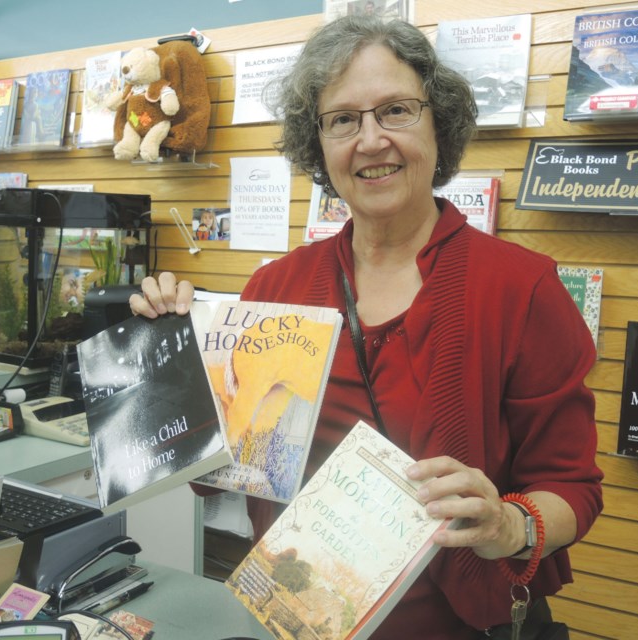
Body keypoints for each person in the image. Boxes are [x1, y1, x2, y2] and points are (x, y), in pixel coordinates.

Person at [130, 16, 602, 639]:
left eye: (396, 111)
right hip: (295, 619)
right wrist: (171, 364)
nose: (371, 140)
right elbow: (220, 469)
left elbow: (574, 490)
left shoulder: (522, 288)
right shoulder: (275, 290)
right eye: (344, 120)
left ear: (441, 125)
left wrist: (507, 526)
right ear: (318, 142)